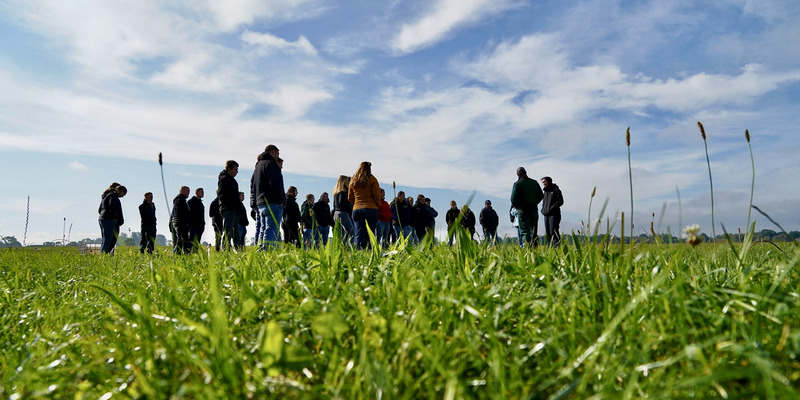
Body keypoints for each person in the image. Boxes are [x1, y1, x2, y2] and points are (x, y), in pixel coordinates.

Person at [251, 145, 285, 250]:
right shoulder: (271, 164)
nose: (278, 156)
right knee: (271, 230)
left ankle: (260, 251)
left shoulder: (258, 166)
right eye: (278, 153)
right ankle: (267, 252)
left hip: (261, 203)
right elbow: (275, 184)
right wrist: (281, 200)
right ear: (273, 152)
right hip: (273, 202)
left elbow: (254, 186)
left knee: (263, 229)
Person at [348, 161, 382, 249]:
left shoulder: (354, 180)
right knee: (370, 233)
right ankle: (369, 252)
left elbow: (350, 197)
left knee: (358, 233)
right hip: (371, 208)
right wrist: (377, 205)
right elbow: (376, 195)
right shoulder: (372, 179)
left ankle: (359, 252)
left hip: (357, 209)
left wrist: (355, 204)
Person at [510, 167, 543, 247]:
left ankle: (528, 250)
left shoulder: (517, 184)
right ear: (526, 172)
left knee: (525, 231)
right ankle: (535, 248)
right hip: (534, 209)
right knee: (534, 230)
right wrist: (534, 202)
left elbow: (513, 199)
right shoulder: (534, 182)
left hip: (523, 210)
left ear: (517, 174)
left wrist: (519, 207)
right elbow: (541, 195)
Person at [218, 160, 240, 251]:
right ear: (229, 169)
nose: (236, 172)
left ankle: (236, 249)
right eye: (235, 169)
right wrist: (230, 205)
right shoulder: (224, 179)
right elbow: (223, 195)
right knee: (228, 231)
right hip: (228, 209)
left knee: (235, 232)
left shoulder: (231, 180)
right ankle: (225, 249)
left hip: (233, 209)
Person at [98, 183, 126, 254]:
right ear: (119, 190)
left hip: (103, 218)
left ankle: (104, 254)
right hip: (109, 219)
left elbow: (99, 210)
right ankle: (105, 255)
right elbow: (112, 207)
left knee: (105, 239)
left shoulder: (105, 196)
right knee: (108, 239)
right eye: (123, 193)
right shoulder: (113, 196)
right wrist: (115, 217)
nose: (123, 196)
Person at [541, 176, 564, 246]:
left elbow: (560, 201)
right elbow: (544, 203)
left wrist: (552, 208)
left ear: (549, 181)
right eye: (542, 182)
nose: (543, 183)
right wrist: (543, 210)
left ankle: (557, 247)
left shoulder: (555, 190)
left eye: (544, 181)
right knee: (548, 232)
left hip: (554, 214)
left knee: (553, 231)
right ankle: (550, 248)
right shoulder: (545, 192)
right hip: (546, 215)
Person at [332, 175, 354, 244]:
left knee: (341, 234)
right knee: (351, 232)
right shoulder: (344, 192)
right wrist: (351, 209)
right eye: (348, 181)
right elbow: (343, 203)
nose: (349, 182)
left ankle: (341, 248)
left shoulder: (337, 192)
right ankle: (350, 249)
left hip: (336, 213)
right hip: (343, 213)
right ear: (344, 181)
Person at [171, 186, 191, 255]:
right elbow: (180, 213)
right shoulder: (180, 200)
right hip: (181, 223)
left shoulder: (181, 200)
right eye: (187, 191)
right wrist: (185, 222)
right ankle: (184, 253)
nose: (188, 193)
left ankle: (178, 254)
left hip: (179, 223)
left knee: (180, 240)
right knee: (184, 239)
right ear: (182, 191)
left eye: (189, 191)